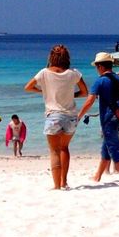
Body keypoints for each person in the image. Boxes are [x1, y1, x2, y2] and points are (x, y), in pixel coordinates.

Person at [25, 44, 88, 190]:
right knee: (64, 148)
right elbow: (85, 92)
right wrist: (72, 95)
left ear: (51, 57)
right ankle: (64, 182)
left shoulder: (44, 73)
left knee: (54, 151)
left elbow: (28, 87)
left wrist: (45, 92)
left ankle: (56, 185)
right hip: (71, 116)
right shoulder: (74, 73)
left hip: (53, 116)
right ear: (67, 57)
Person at [76, 52, 119, 187]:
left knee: (113, 149)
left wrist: (79, 116)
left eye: (96, 66)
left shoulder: (100, 81)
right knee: (106, 147)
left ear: (100, 66)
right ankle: (97, 176)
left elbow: (89, 101)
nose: (96, 69)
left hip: (109, 119)